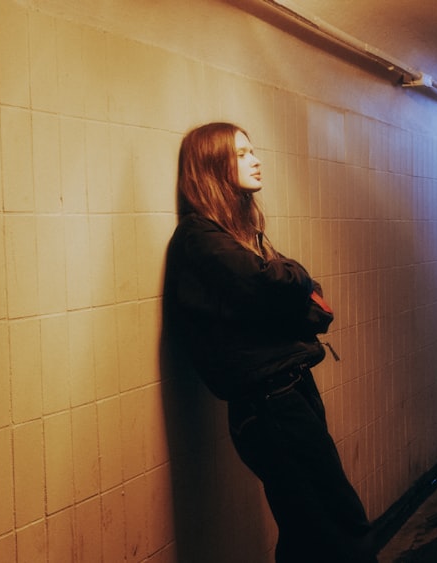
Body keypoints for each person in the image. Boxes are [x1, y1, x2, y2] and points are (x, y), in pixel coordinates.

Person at [163, 122, 376, 562]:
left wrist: (288, 287)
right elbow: (268, 284)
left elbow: (281, 299)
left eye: (252, 151)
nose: (256, 160)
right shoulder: (199, 238)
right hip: (269, 404)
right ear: (211, 166)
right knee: (335, 521)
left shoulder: (231, 235)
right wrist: (297, 275)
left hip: (287, 394)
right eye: (242, 153)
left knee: (307, 526)